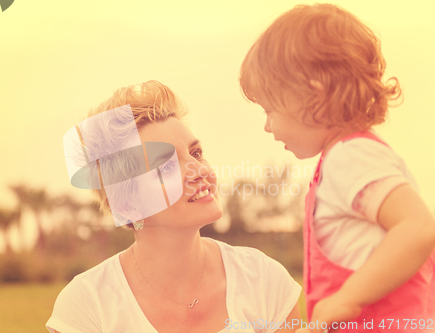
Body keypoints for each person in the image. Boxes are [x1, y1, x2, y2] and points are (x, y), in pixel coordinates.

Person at [47, 80, 302, 333]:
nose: (200, 170)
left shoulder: (265, 281)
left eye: (196, 153)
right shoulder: (87, 308)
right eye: (166, 167)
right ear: (127, 204)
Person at [239, 4, 435, 333]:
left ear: (311, 93)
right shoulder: (347, 158)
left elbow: (417, 227)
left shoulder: (351, 157)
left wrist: (348, 298)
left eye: (270, 110)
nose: (267, 127)